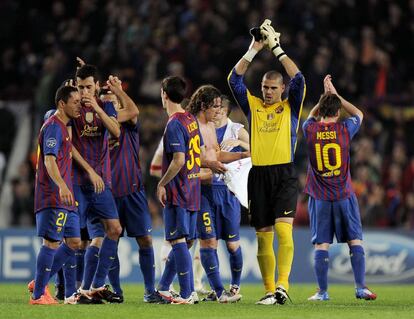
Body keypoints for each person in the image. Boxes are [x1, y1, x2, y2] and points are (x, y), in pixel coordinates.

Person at [227, 19, 306, 305]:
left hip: (284, 174)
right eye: (264, 87)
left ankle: (283, 285)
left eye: (273, 88)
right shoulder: (254, 106)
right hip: (257, 175)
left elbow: (300, 80)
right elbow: (233, 81)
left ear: (282, 89)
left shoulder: (291, 107)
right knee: (263, 237)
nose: (267, 92)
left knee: (284, 229)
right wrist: (253, 50)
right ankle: (270, 290)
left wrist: (276, 48)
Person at [303, 75, 377, 301]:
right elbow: (359, 114)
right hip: (344, 195)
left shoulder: (310, 129)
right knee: (355, 241)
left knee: (321, 245)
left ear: (321, 110)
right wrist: (336, 95)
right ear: (337, 113)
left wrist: (323, 99)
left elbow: (310, 116)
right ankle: (360, 287)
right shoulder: (345, 130)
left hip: (320, 197)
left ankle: (323, 292)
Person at [100, 77, 160, 303]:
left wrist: (118, 91)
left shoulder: (129, 124)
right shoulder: (98, 127)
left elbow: (133, 111)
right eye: (105, 102)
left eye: (113, 102)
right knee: (112, 241)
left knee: (145, 240)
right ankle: (115, 290)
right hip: (109, 194)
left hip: (133, 191)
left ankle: (149, 291)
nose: (110, 106)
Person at [187, 85, 246, 303]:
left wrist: (243, 152)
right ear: (205, 106)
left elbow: (218, 154)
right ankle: (218, 291)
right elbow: (189, 160)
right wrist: (210, 165)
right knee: (207, 242)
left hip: (226, 192)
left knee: (231, 244)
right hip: (202, 192)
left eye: (221, 107)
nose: (218, 111)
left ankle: (232, 286)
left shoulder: (218, 127)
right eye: (216, 107)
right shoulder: (191, 125)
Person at [72, 64, 122, 303]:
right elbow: (68, 145)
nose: (84, 93)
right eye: (80, 87)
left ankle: (96, 284)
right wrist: (90, 170)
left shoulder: (106, 105)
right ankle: (57, 287)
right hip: (78, 182)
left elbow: (116, 132)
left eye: (88, 87)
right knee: (71, 238)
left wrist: (99, 110)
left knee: (114, 230)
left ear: (96, 87)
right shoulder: (72, 108)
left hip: (101, 183)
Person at [29, 86, 81, 305]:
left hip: (65, 197)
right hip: (53, 195)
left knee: (74, 242)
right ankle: (39, 294)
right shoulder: (53, 128)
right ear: (62, 103)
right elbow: (49, 161)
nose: (79, 105)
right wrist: (61, 186)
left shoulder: (63, 127)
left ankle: (39, 281)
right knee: (51, 242)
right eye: (75, 101)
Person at [156, 75, 201, 304]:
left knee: (178, 240)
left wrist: (162, 183)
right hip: (193, 189)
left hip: (179, 190)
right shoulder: (190, 118)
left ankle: (187, 293)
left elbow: (178, 160)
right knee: (184, 240)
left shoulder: (174, 123)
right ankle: (164, 287)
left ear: (164, 94)